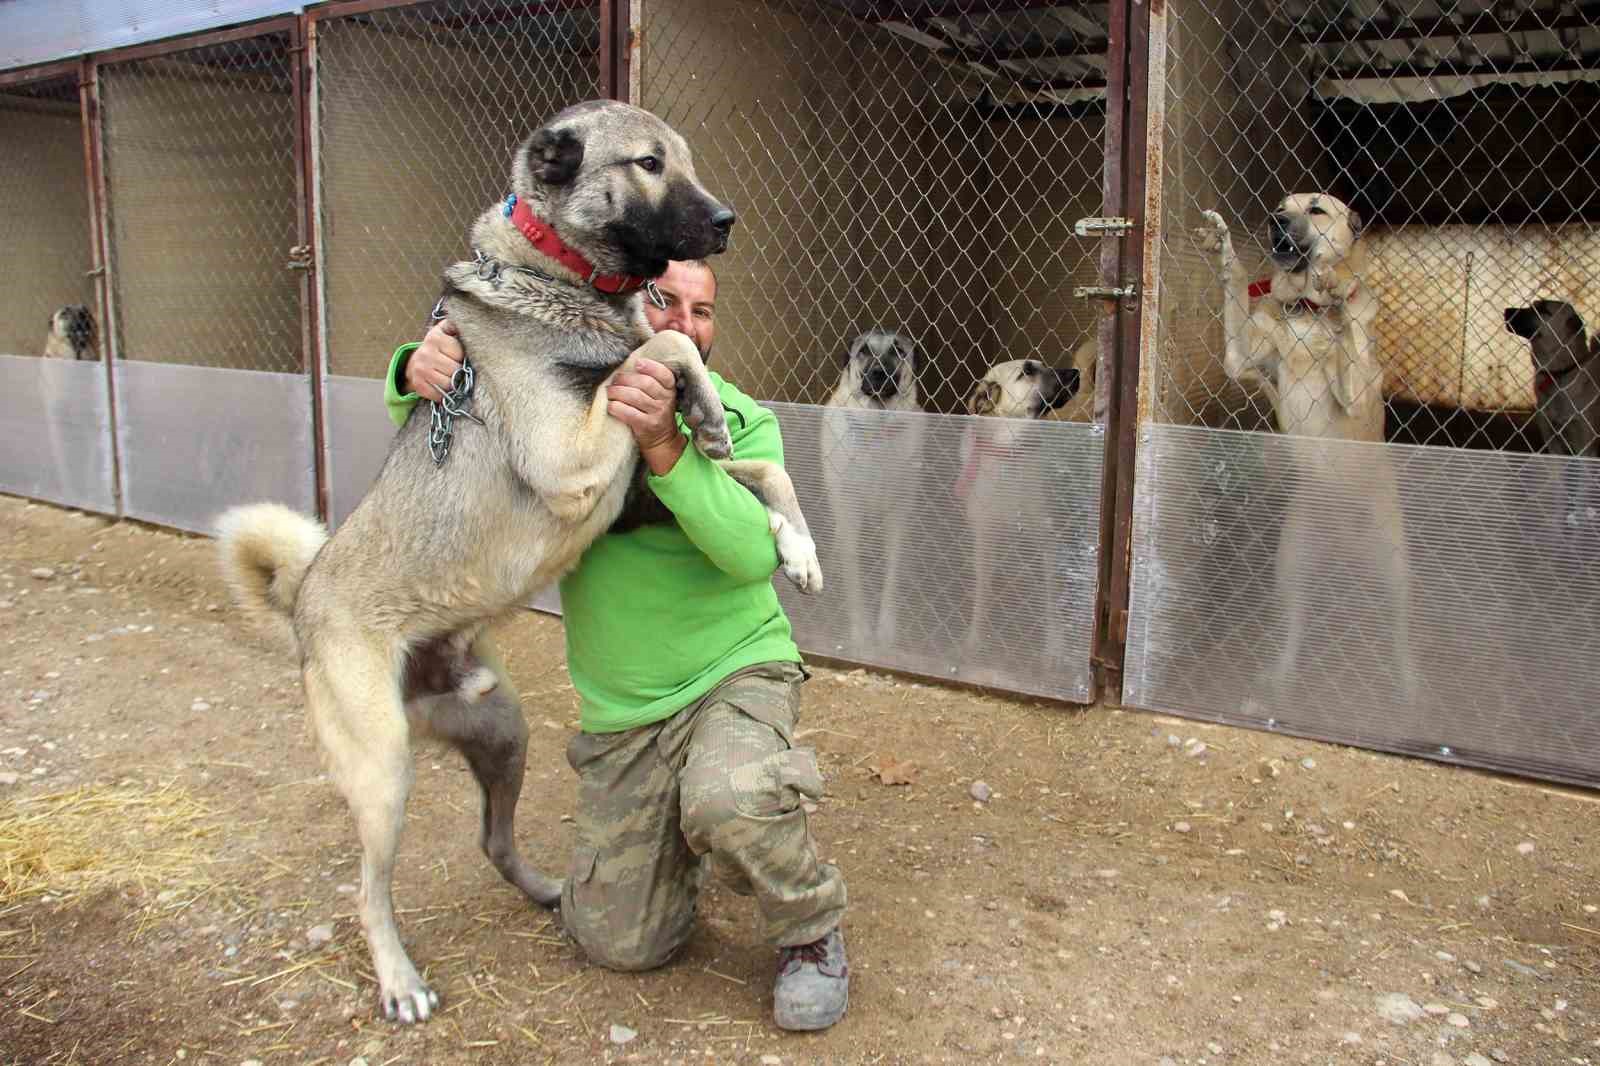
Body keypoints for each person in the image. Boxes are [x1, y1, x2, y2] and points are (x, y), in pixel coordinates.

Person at [382, 258, 849, 1031]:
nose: (682, 325)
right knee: (616, 944)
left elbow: (748, 555)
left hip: (732, 671)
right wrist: (416, 368)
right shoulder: (565, 408)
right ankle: (677, 839)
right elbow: (458, 432)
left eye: (703, 312)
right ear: (623, 303)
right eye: (665, 301)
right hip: (625, 713)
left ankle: (810, 929)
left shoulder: (732, 416)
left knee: (731, 799)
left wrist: (668, 444)